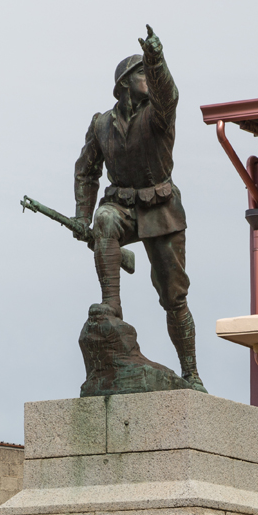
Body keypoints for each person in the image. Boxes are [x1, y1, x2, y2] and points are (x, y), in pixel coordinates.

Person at [70, 25, 206, 393]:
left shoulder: (159, 114)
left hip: (161, 208)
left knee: (173, 297)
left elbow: (169, 93)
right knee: (105, 218)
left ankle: (191, 372)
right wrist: (83, 217)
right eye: (142, 73)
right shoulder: (101, 124)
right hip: (123, 205)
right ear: (125, 84)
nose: (147, 78)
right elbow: (86, 171)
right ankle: (111, 304)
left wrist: (156, 59)